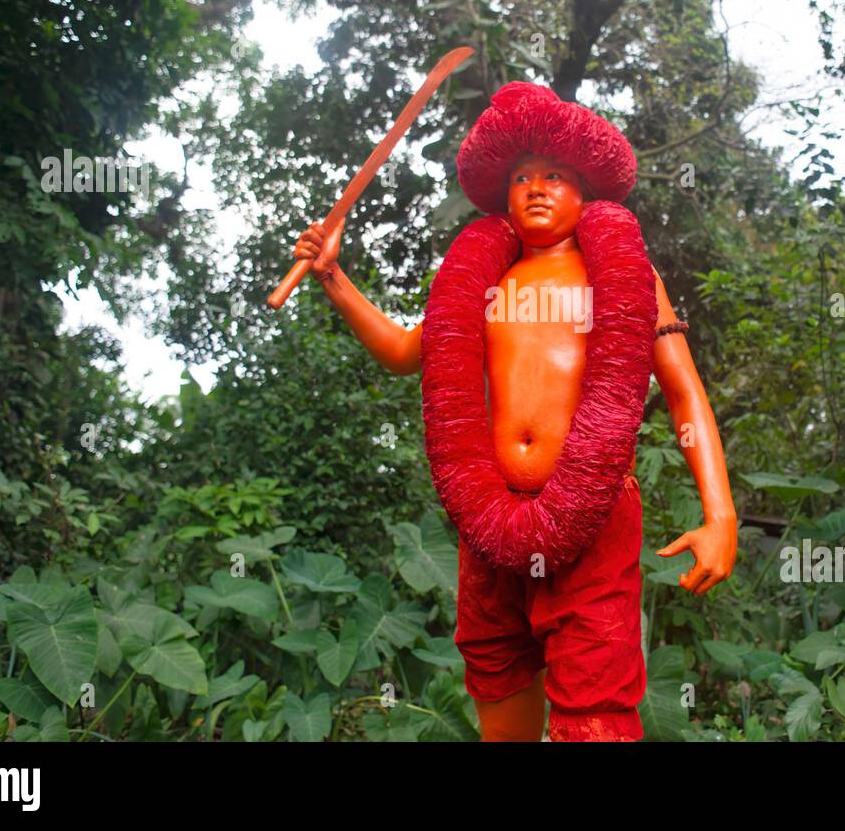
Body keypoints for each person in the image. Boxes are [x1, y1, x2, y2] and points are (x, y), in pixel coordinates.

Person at [292, 82, 738, 741]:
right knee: (498, 673)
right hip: (491, 521)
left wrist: (720, 514)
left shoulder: (621, 272)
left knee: (595, 705)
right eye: (522, 176)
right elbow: (402, 350)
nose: (535, 187)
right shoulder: (484, 279)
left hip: (594, 517)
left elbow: (682, 390)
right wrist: (334, 277)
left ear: (586, 189)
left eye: (554, 175)